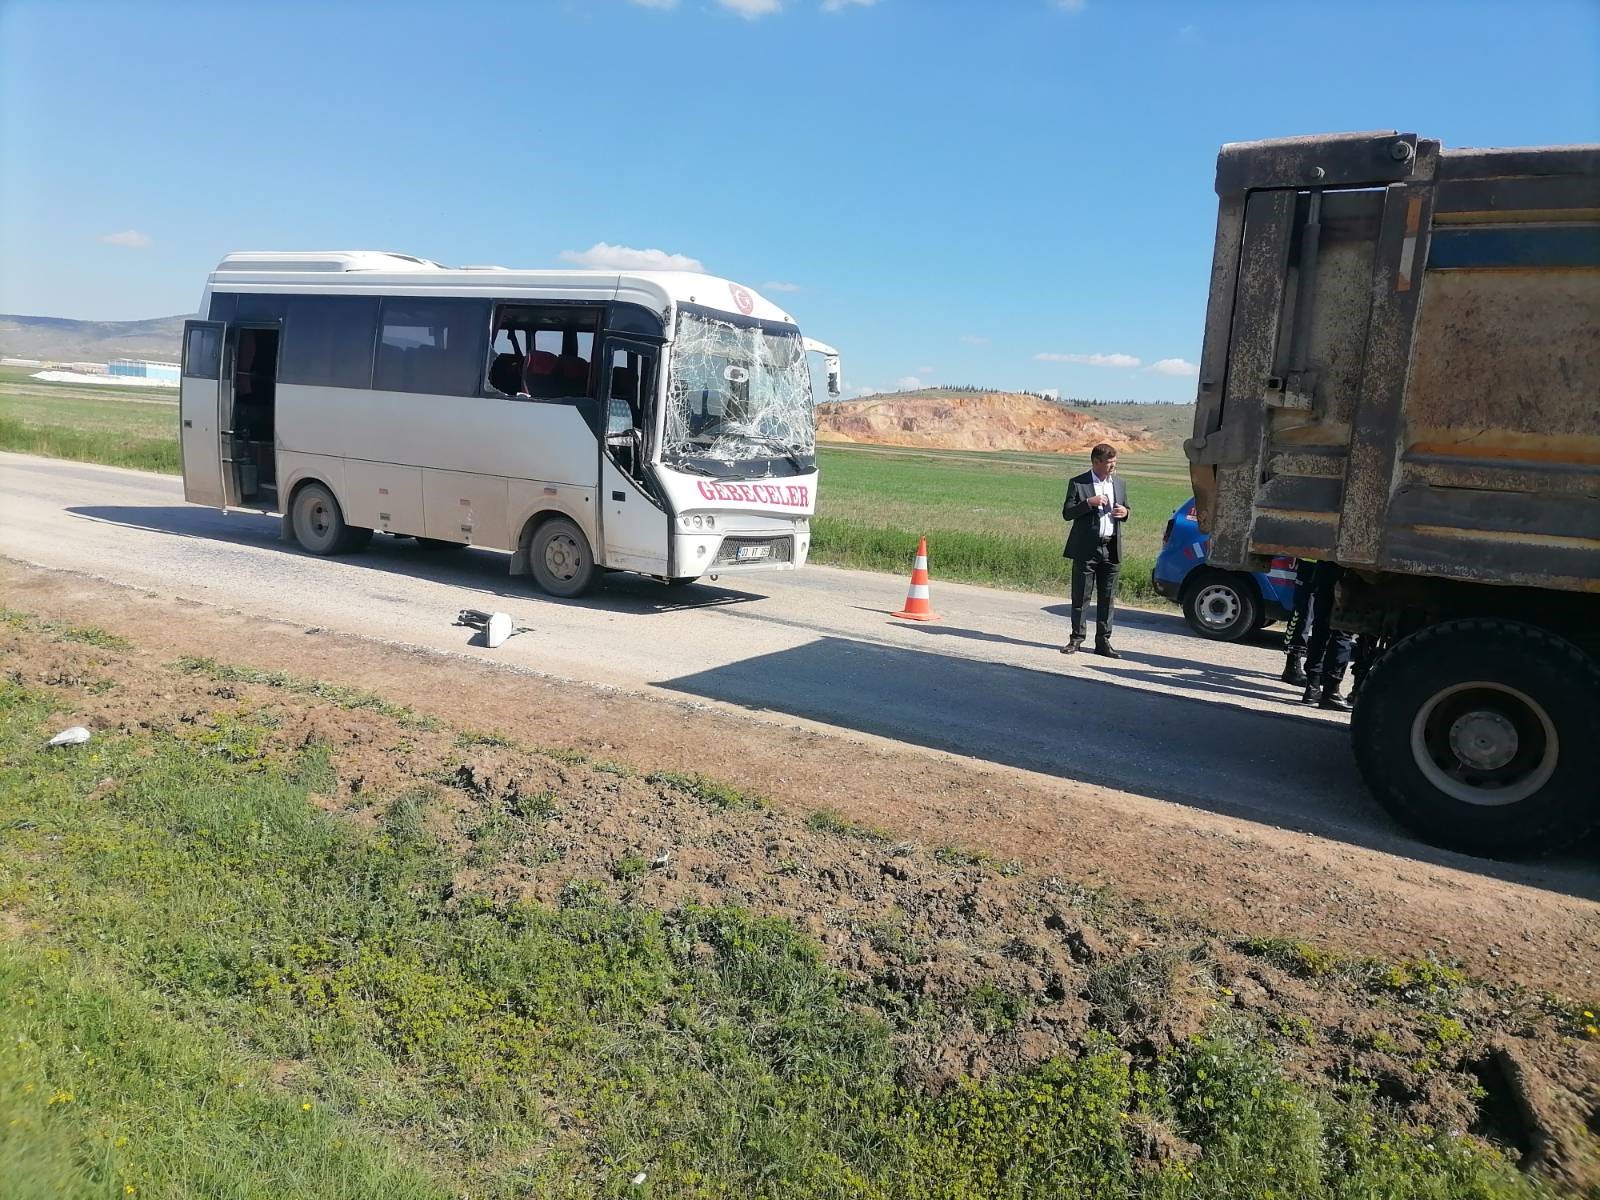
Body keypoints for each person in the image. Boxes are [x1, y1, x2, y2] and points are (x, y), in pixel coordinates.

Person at [1060, 443, 1130, 658]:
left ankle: (1103, 642)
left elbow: (1127, 509)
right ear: (1096, 462)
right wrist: (1088, 503)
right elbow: (1067, 513)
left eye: (1115, 463)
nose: (1113, 467)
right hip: (1086, 548)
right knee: (1081, 595)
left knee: (1107, 597)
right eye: (1109, 463)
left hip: (1110, 547)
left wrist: (1125, 512)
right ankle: (1076, 639)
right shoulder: (1079, 483)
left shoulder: (1119, 483)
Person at [1299, 561, 1355, 711]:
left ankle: (1312, 687)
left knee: (1320, 629)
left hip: (1325, 569)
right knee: (1342, 632)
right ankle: (1331, 691)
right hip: (1348, 574)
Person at [1281, 559, 1317, 685]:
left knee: (1320, 620)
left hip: (1328, 564)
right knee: (1302, 614)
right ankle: (1292, 664)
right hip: (1310, 562)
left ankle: (1316, 669)